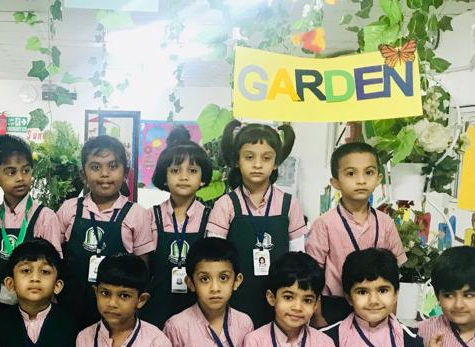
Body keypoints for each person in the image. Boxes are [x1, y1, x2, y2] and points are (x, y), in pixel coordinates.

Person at [207, 121, 306, 327]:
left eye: (266, 158)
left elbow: (298, 260)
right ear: (237, 160)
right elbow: (215, 259)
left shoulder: (289, 205)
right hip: (235, 299)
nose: (258, 164)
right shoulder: (226, 205)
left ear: (276, 162)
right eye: (249, 157)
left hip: (280, 301)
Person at [57, 135, 156, 329]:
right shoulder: (70, 209)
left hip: (117, 311)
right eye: (95, 167)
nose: (104, 174)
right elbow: (56, 256)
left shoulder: (137, 214)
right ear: (83, 174)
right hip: (70, 306)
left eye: (113, 166)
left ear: (125, 173)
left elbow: (142, 267)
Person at [306, 142, 407, 325]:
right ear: (335, 182)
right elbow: (313, 277)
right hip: (334, 309)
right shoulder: (324, 224)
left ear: (379, 178)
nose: (361, 180)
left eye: (369, 172)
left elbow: (395, 275)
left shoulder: (386, 223)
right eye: (351, 173)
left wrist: (392, 321)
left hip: (376, 305)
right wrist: (318, 317)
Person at [0, 135, 62, 316]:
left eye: (26, 170)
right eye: (11, 172)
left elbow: (54, 265)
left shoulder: (45, 217)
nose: (20, 178)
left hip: (34, 307)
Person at [142, 139, 212, 328]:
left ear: (203, 178)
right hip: (155, 307)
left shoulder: (210, 218)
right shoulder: (149, 216)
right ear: (164, 177)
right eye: (175, 171)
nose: (184, 177)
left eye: (192, 170)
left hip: (197, 310)